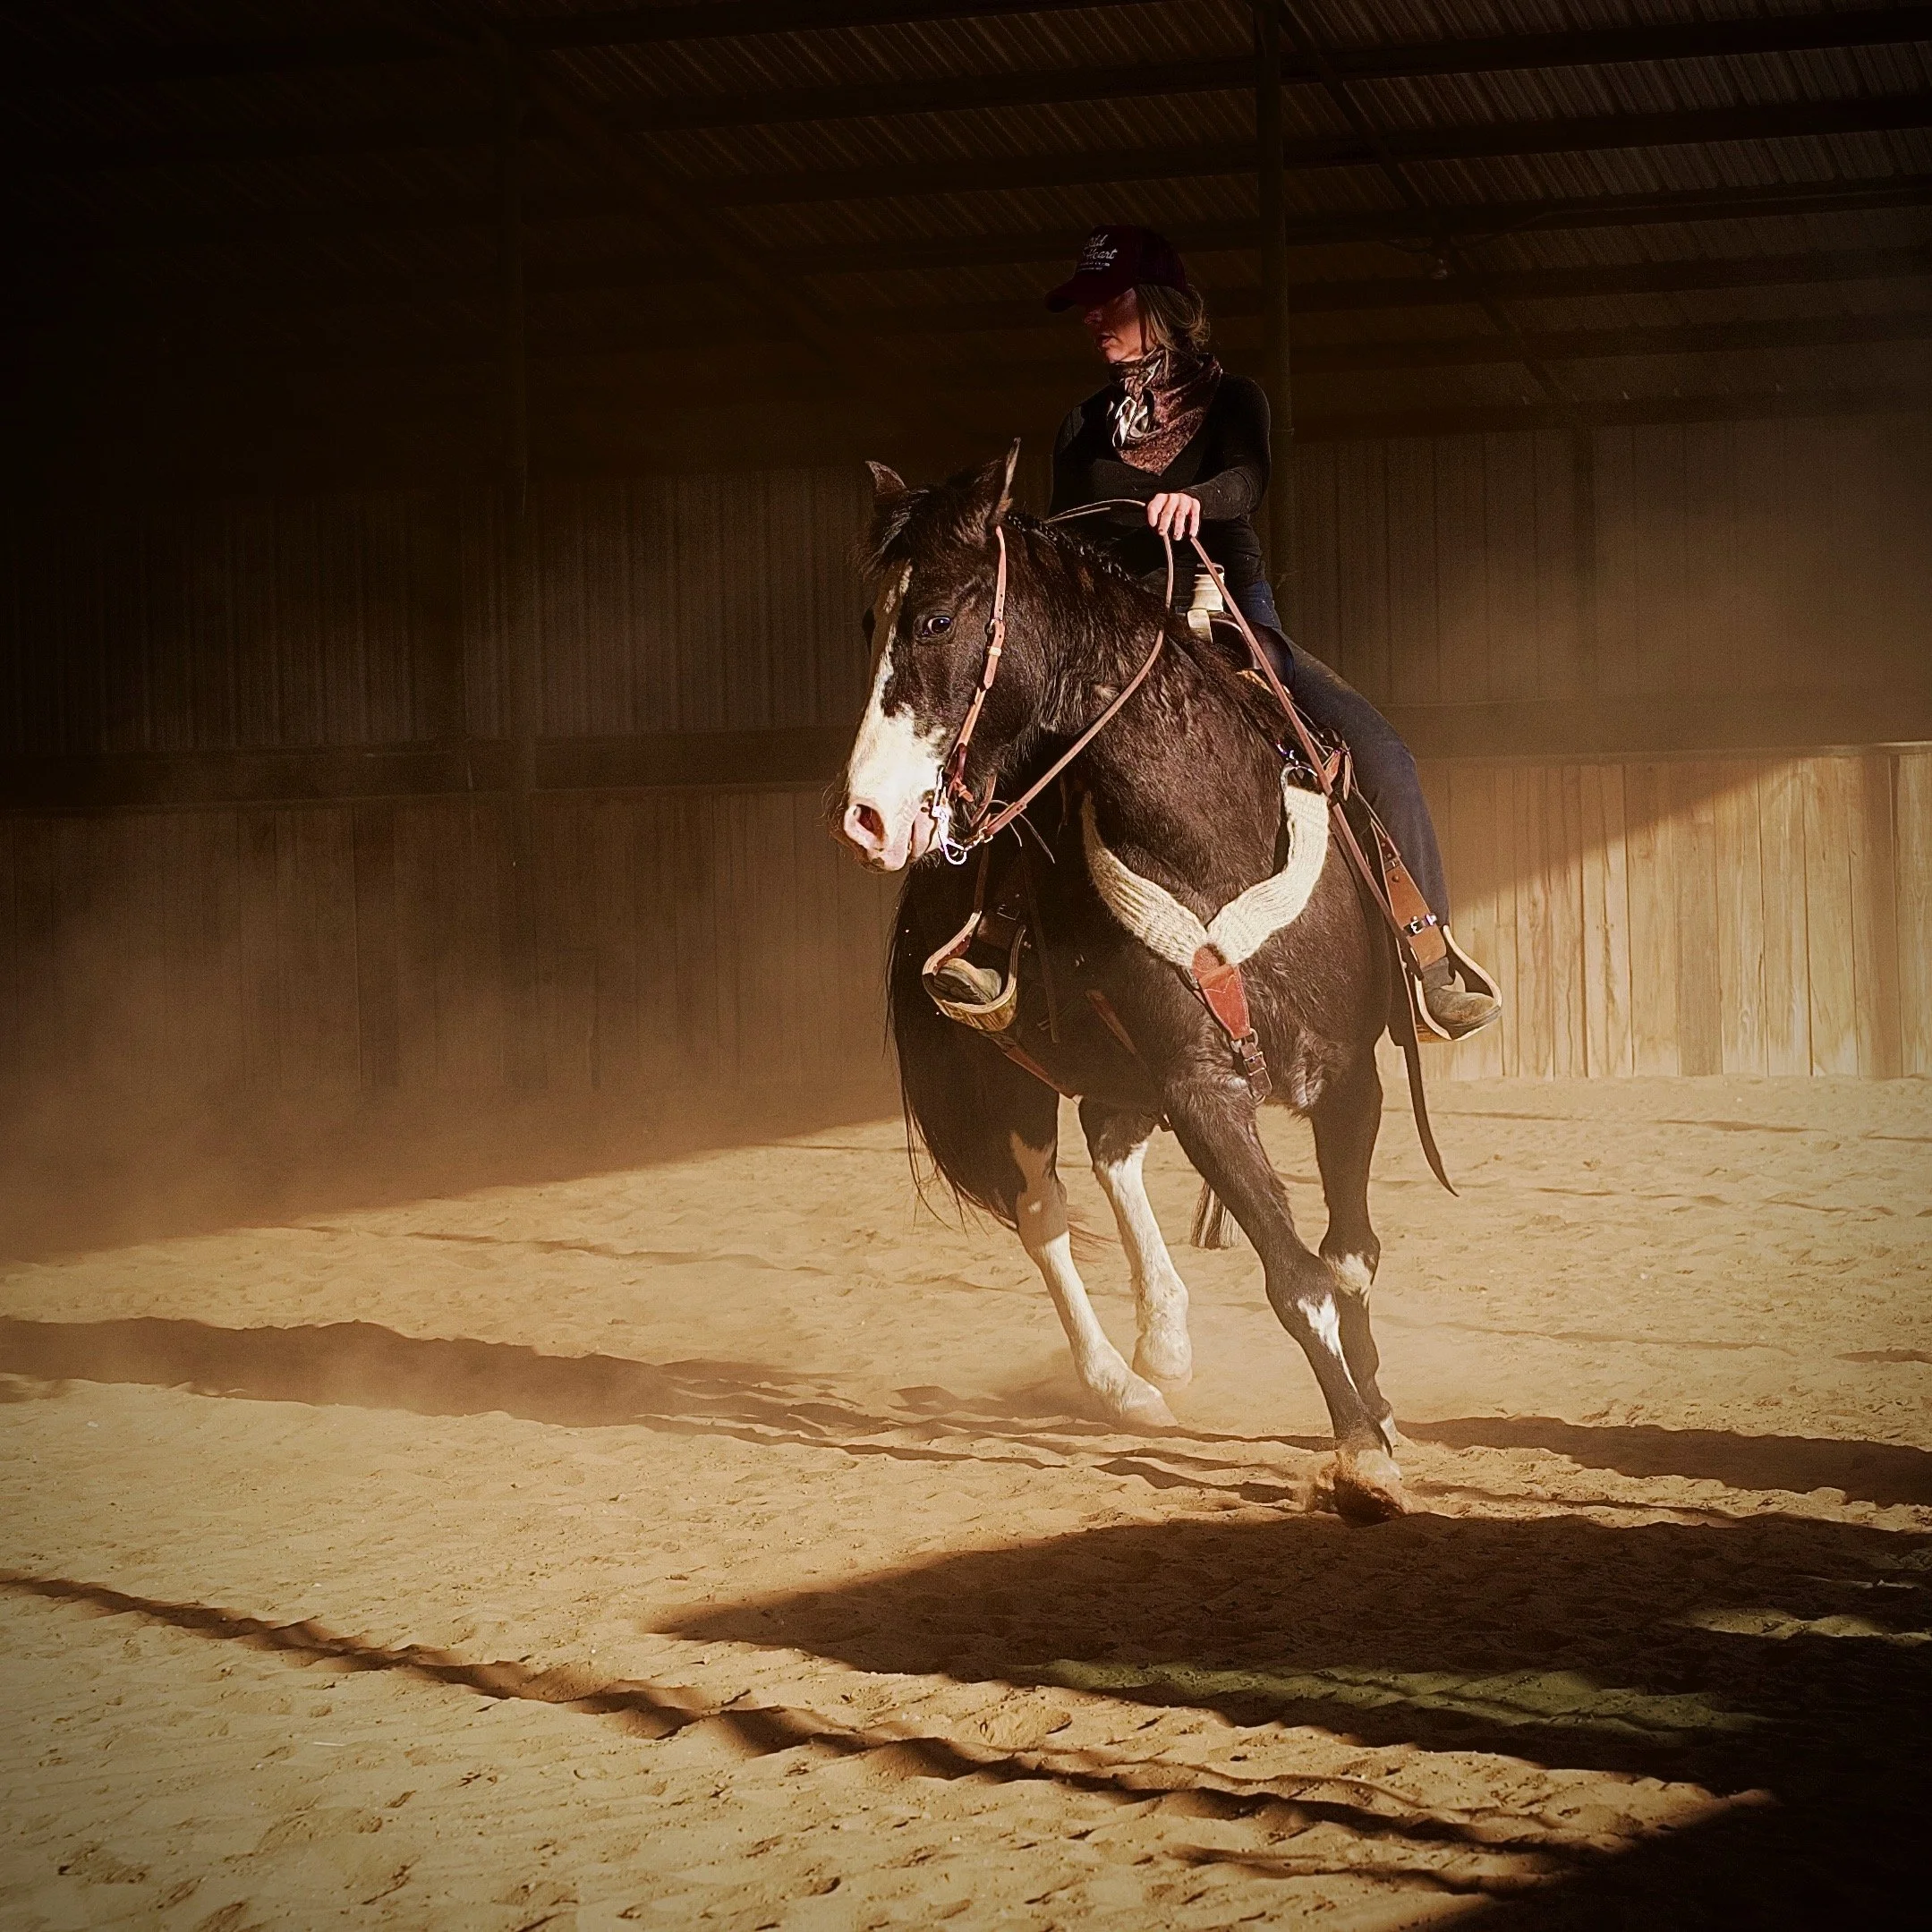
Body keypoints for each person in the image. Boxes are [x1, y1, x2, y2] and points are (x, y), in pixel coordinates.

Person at [1044, 224, 1500, 1038]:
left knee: (1383, 753)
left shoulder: (1234, 399)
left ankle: (1426, 965)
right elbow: (1069, 511)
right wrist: (1130, 503)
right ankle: (995, 941)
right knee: (1021, 759)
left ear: (1157, 306)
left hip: (1228, 612)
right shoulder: (1079, 424)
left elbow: (1247, 476)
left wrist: (1197, 500)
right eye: (1085, 307)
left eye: (1105, 302)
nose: (1090, 319)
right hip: (1119, 626)